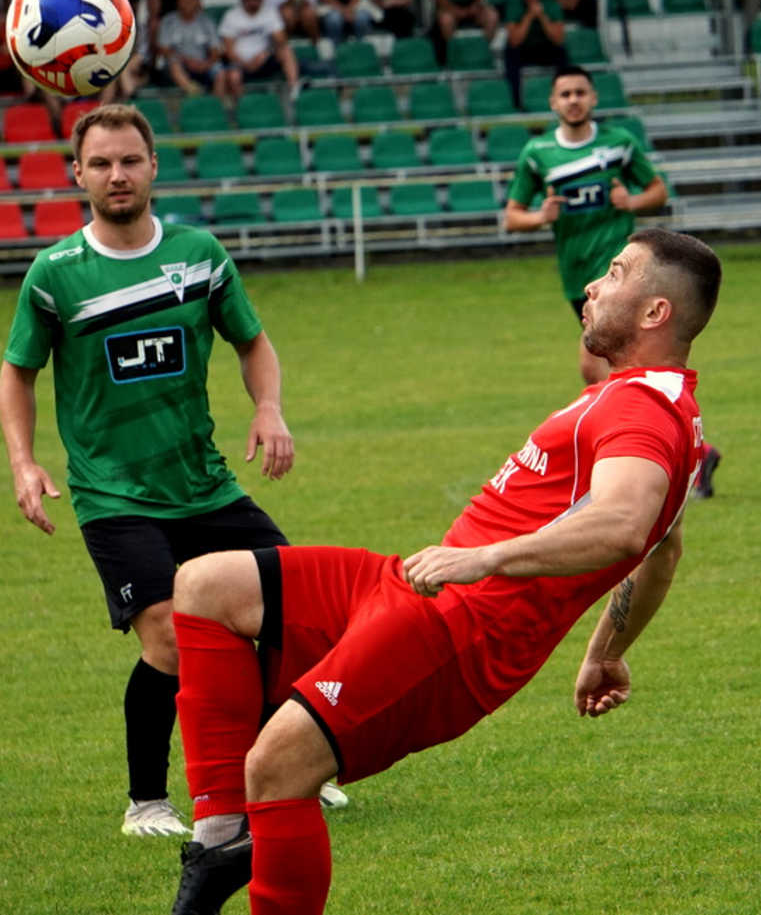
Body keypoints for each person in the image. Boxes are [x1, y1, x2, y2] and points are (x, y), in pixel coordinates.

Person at [166, 226, 721, 915]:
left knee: (278, 764)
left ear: (655, 312)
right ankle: (222, 841)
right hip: (413, 585)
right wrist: (605, 654)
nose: (592, 285)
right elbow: (663, 549)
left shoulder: (643, 408)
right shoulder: (652, 399)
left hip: (458, 629)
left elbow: (625, 523)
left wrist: (487, 556)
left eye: (614, 273)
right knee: (203, 586)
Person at [0, 104, 345, 840]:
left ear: (154, 166)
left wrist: (270, 408)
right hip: (113, 493)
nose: (116, 174)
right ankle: (147, 801)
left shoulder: (200, 253)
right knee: (169, 638)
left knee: (297, 610)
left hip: (204, 482)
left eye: (129, 160)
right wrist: (24, 463)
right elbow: (17, 374)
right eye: (101, 163)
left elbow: (252, 341)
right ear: (78, 173)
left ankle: (284, 763)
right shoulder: (56, 274)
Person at [504, 66, 668, 384]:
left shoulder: (619, 143)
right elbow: (512, 217)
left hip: (619, 264)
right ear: (553, 102)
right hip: (575, 270)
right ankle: (644, 417)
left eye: (580, 93)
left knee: (595, 363)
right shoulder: (538, 154)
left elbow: (658, 191)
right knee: (617, 363)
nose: (573, 100)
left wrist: (631, 202)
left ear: (593, 98)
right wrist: (541, 217)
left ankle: (631, 423)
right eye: (565, 95)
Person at [0, 0, 61, 119]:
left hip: (13, 72)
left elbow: (28, 55)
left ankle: (43, 116)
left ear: (1, 15)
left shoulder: (12, 31)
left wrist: (13, 52)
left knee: (32, 77)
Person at [157, 0, 240, 101]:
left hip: (203, 64)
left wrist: (205, 64)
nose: (187, 3)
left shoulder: (206, 21)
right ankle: (196, 97)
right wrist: (187, 61)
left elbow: (216, 50)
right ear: (177, 1)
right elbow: (164, 50)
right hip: (178, 65)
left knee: (220, 73)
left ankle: (217, 108)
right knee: (174, 63)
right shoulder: (168, 21)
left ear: (197, 0)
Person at [219, 0, 302, 95]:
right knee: (233, 77)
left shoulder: (270, 12)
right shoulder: (231, 16)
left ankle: (295, 91)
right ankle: (243, 108)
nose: (254, 0)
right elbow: (229, 50)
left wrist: (266, 54)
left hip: (264, 60)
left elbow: (281, 41)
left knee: (286, 51)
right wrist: (246, 64)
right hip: (240, 64)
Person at [503, 0, 566, 110]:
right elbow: (515, 40)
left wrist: (542, 16)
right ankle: (516, 103)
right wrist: (529, 16)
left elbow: (558, 38)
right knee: (510, 54)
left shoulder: (551, 4)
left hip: (545, 48)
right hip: (523, 49)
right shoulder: (514, 5)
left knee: (562, 53)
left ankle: (563, 97)